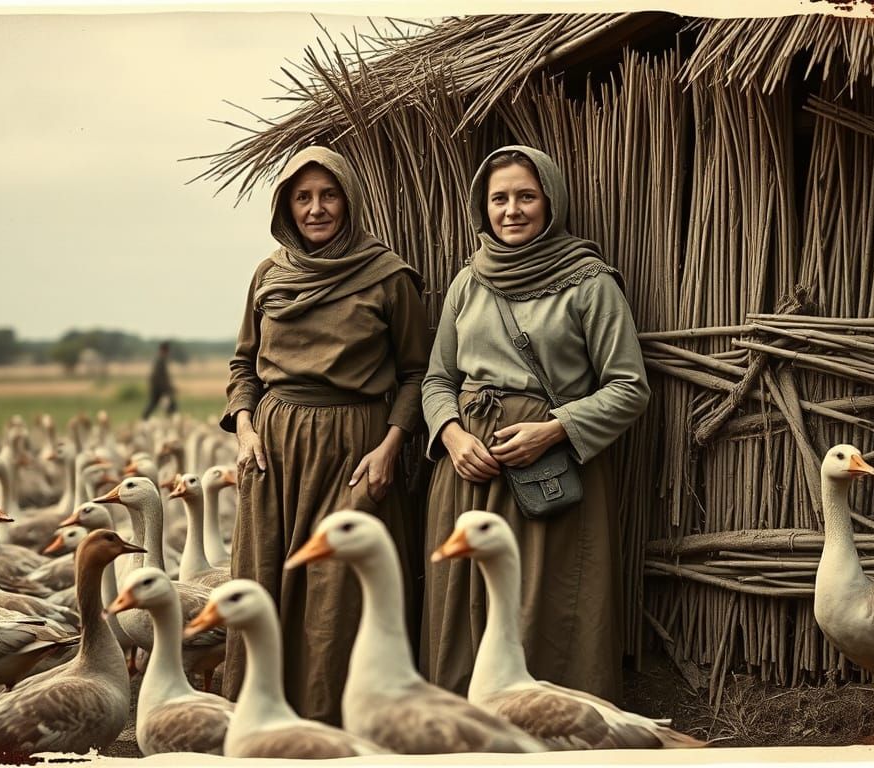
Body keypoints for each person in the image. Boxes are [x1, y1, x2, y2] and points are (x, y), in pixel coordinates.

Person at [420, 145, 650, 704]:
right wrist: (452, 435)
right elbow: (436, 380)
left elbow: (629, 387)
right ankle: (465, 735)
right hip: (468, 476)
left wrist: (553, 430)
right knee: (463, 609)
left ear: (551, 200)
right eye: (499, 198)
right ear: (483, 207)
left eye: (526, 196)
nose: (512, 210)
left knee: (541, 608)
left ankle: (553, 734)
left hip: (548, 478)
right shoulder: (468, 282)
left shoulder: (589, 283)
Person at [219, 146, 430, 725]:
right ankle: (264, 727)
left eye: (328, 195)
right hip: (274, 452)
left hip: (354, 450)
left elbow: (418, 374)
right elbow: (243, 365)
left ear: (349, 199)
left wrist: (390, 447)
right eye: (303, 197)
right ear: (286, 205)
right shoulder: (269, 274)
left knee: (338, 590)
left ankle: (337, 729)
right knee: (266, 581)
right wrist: (245, 429)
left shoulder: (388, 277)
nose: (316, 209)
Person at [142, 341, 177, 419]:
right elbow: (160, 377)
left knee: (166, 403)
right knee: (162, 403)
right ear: (165, 350)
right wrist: (168, 388)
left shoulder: (160, 359)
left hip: (158, 387)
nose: (168, 353)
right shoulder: (160, 360)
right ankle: (144, 418)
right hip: (158, 388)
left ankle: (145, 417)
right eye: (167, 351)